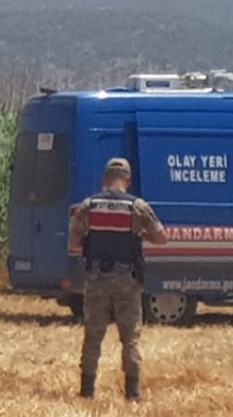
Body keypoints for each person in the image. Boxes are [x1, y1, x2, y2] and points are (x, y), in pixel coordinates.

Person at [68, 158, 168, 401]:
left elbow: (73, 242)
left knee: (93, 335)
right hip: (127, 280)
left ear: (105, 179)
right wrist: (141, 234)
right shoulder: (138, 207)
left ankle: (87, 391)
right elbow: (162, 237)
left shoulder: (89, 206)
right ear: (128, 180)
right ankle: (132, 393)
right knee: (130, 338)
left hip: (96, 278)